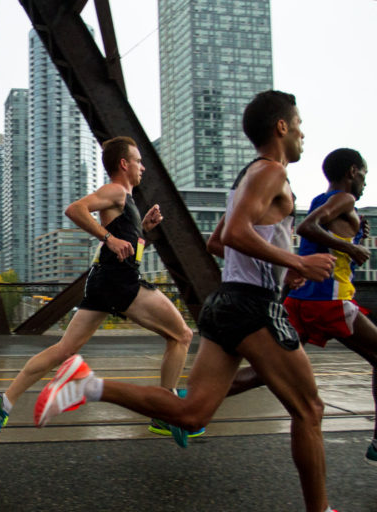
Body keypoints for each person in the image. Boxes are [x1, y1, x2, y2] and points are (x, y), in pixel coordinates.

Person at [33, 91, 340, 512]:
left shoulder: (248, 176)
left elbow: (217, 241)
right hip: (252, 307)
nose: (304, 132)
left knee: (192, 414)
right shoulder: (271, 173)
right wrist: (295, 260)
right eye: (299, 123)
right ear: (281, 127)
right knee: (310, 409)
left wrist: (280, 268)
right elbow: (232, 235)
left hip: (228, 303)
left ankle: (88, 384)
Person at [0, 135, 196, 451]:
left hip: (104, 281)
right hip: (119, 283)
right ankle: (164, 413)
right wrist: (108, 238)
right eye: (138, 161)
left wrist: (144, 231)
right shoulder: (116, 191)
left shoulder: (127, 201)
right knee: (182, 335)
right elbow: (76, 209)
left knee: (63, 348)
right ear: (124, 164)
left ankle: (3, 404)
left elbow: (127, 247)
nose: (143, 167)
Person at [226, 147, 377, 466]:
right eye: (363, 172)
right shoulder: (344, 199)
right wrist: (349, 248)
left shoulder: (322, 201)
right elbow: (310, 227)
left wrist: (349, 240)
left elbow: (317, 230)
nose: (365, 180)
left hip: (301, 302)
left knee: (267, 371)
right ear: (351, 172)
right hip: (331, 302)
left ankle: (191, 399)